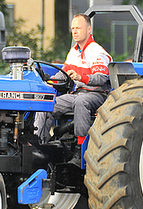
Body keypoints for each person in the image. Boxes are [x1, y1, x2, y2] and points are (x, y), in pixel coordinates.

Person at [35, 13, 112, 151]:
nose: (75, 31)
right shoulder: (73, 52)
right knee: (45, 104)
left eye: (78, 28)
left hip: (97, 94)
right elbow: (63, 75)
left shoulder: (96, 52)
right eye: (73, 28)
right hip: (78, 93)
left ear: (89, 29)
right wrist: (47, 83)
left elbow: (101, 78)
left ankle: (80, 149)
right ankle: (39, 145)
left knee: (81, 101)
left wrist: (80, 77)